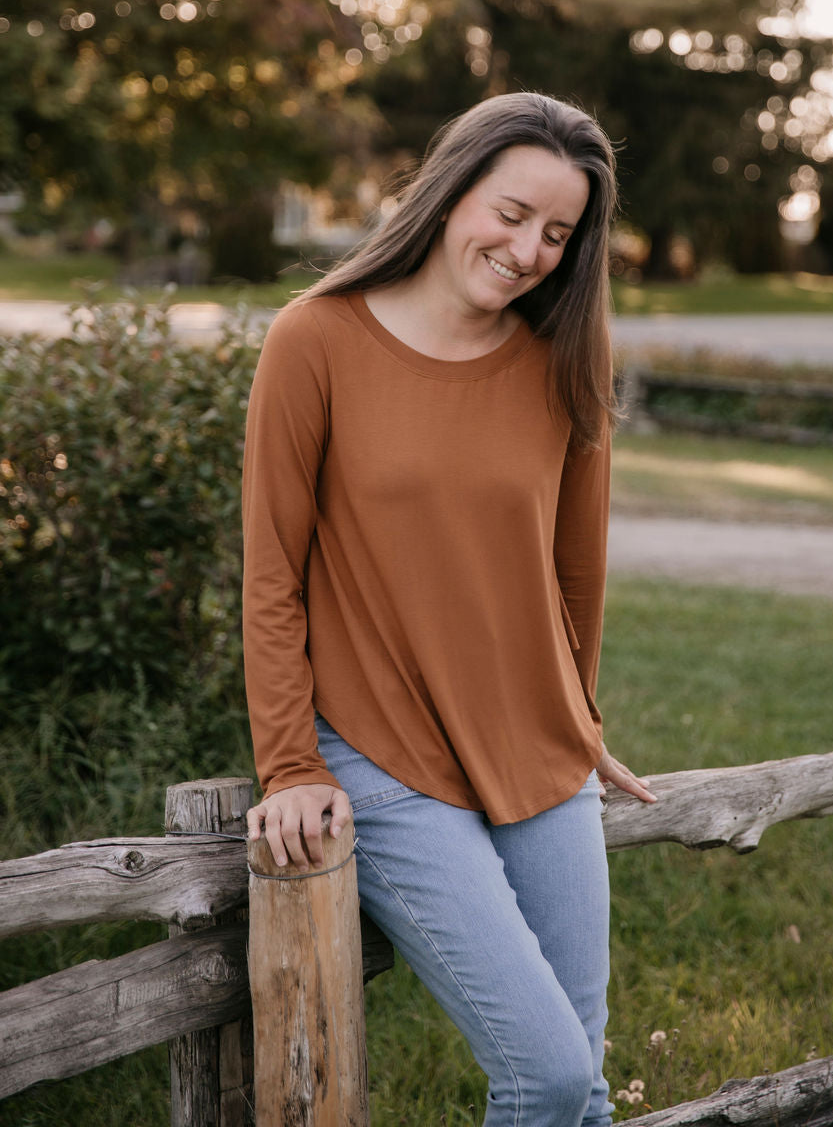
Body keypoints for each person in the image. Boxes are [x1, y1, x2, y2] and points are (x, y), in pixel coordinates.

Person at [242, 91, 657, 1127]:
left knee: (585, 1085)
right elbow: (272, 575)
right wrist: (291, 763)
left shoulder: (564, 361)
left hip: (539, 756)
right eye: (511, 214)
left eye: (558, 234)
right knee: (551, 1077)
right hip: (382, 764)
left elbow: (575, 577)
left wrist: (582, 720)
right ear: (450, 191)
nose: (528, 250)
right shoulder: (316, 339)